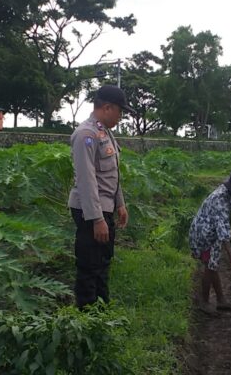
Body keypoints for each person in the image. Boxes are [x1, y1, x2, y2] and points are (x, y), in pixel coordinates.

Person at [68, 85, 135, 309]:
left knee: (103, 262)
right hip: (90, 211)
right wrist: (97, 219)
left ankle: (102, 310)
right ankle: (88, 318)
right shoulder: (86, 134)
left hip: (104, 208)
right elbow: (87, 181)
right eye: (120, 111)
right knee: (89, 266)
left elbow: (112, 174)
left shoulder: (105, 133)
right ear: (107, 107)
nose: (121, 116)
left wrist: (120, 204)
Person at [189, 168, 231, 314]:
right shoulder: (220, 200)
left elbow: (227, 217)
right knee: (210, 267)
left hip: (210, 230)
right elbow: (223, 233)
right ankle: (204, 301)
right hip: (205, 236)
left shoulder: (226, 193)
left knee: (212, 265)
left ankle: (221, 301)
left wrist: (230, 226)